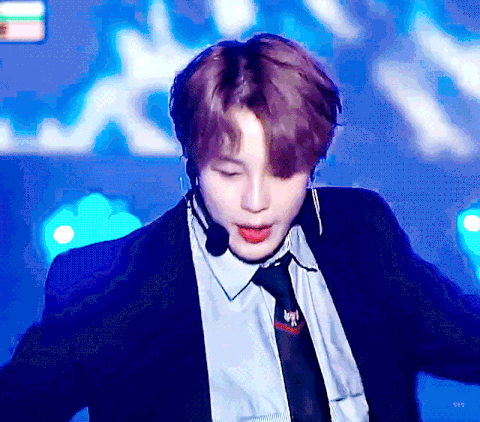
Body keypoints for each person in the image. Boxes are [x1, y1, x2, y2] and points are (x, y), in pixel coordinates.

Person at [1, 32, 480, 422]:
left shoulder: (361, 234)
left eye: (282, 172)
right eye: (230, 173)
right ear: (193, 161)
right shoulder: (110, 286)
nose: (256, 202)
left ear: (314, 163)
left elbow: (467, 339)